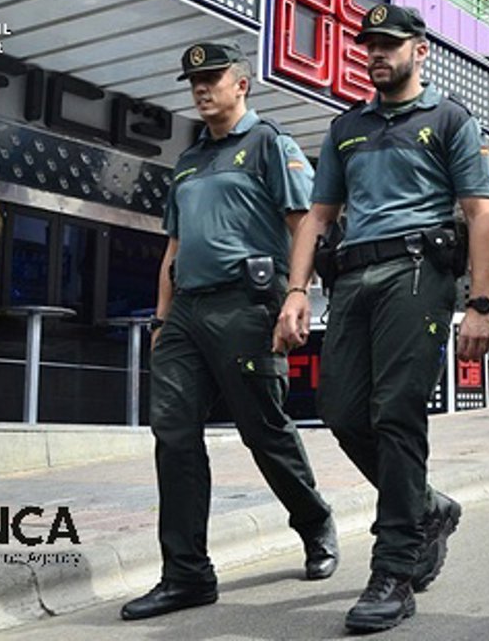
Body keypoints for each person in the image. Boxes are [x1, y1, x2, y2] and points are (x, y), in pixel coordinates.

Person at [276, 4, 489, 633]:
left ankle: (394, 570)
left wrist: (480, 303)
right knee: (342, 411)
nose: (376, 53)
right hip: (352, 280)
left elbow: (480, 214)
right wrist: (297, 292)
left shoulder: (449, 119)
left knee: (396, 415)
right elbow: (317, 218)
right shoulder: (345, 126)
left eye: (389, 44)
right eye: (369, 44)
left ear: (419, 50)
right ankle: (426, 505)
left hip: (416, 273)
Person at [120, 42, 337, 621]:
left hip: (248, 306)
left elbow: (304, 227)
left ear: (241, 84)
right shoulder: (188, 162)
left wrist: (297, 297)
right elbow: (173, 247)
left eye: (212, 77)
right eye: (193, 79)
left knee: (263, 429)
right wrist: (162, 319)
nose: (200, 87)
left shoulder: (270, 145)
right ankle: (187, 573)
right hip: (187, 312)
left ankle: (315, 523)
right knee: (172, 434)